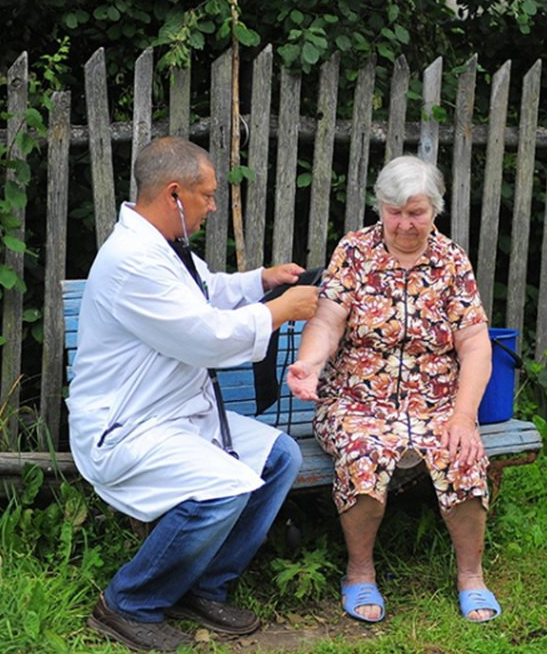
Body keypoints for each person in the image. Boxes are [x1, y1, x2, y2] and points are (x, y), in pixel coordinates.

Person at [68, 136, 319, 651]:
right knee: (224, 486)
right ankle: (128, 604)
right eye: (206, 196)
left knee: (280, 457)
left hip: (175, 416)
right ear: (175, 194)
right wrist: (281, 309)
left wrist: (261, 280)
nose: (212, 206)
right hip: (126, 427)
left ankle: (202, 585)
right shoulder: (133, 261)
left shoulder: (164, 246)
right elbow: (205, 336)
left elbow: (207, 293)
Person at [287, 154, 501, 623]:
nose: (404, 224)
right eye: (394, 211)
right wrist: (309, 362)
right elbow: (327, 320)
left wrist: (464, 416)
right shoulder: (355, 251)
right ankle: (359, 571)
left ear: (435, 210)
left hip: (436, 402)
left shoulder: (451, 261)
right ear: (380, 206)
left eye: (416, 212)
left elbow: (475, 345)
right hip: (357, 402)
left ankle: (471, 575)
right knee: (365, 452)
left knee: (460, 452)